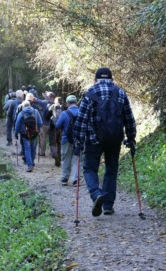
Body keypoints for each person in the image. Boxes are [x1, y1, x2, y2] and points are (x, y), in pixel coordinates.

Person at [73, 67, 136, 217]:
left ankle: (96, 194)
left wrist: (78, 140)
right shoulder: (120, 92)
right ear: (111, 79)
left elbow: (81, 119)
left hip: (93, 140)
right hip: (114, 139)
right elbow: (129, 117)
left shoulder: (90, 93)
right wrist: (131, 137)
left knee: (89, 169)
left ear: (95, 79)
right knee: (111, 170)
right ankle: (108, 205)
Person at [55, 95, 79, 186]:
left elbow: (58, 125)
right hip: (79, 140)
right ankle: (75, 179)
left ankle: (64, 178)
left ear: (67, 103)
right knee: (77, 159)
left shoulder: (64, 113)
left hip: (66, 139)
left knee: (66, 159)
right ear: (76, 102)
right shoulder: (81, 112)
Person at [14, 100, 43, 172]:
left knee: (27, 149)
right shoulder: (35, 111)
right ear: (30, 105)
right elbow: (40, 122)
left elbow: (17, 124)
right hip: (34, 133)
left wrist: (16, 133)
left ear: (23, 106)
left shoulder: (21, 113)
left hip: (25, 134)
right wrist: (38, 129)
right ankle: (32, 162)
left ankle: (29, 165)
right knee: (33, 148)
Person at [36, 91, 55, 157]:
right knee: (52, 138)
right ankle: (53, 152)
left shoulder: (44, 102)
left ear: (48, 97)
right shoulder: (56, 104)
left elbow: (36, 99)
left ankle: (42, 152)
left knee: (42, 138)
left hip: (44, 124)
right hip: (53, 124)